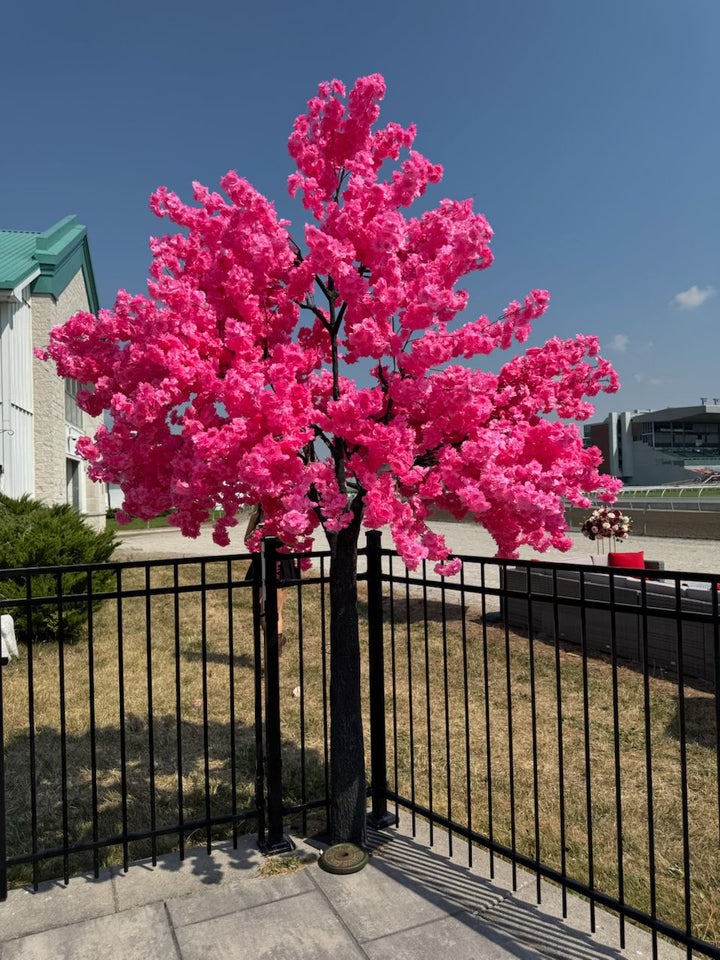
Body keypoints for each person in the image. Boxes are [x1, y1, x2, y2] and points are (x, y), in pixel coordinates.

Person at [244, 504, 296, 653]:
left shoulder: (287, 506)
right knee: (261, 608)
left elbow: (294, 541)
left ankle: (274, 650)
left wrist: (276, 532)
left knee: (275, 609)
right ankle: (274, 641)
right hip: (261, 561)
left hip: (281, 559)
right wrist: (256, 531)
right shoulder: (258, 510)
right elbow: (246, 539)